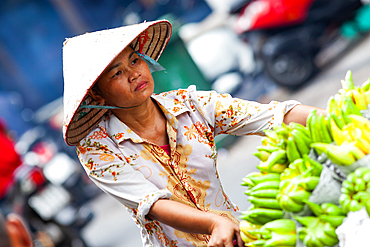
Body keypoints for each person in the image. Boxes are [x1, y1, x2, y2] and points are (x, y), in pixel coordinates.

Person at [62, 20, 326, 247]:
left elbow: (271, 117)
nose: (134, 73)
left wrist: (336, 118)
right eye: (117, 73)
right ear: (96, 94)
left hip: (241, 236)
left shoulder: (190, 105)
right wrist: (214, 223)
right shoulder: (98, 148)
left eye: (135, 60)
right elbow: (152, 205)